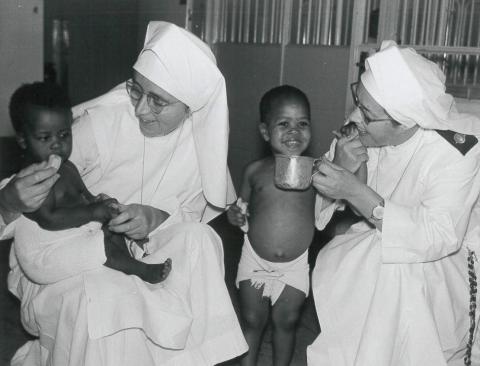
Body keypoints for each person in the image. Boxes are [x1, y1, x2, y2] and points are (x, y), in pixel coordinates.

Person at [1, 21, 248, 366]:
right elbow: (30, 190)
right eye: (136, 91)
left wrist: (157, 218)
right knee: (107, 292)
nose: (140, 109)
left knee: (200, 239)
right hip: (63, 258)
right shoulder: (101, 125)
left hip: (135, 253)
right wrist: (9, 201)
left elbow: (189, 219)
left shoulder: (201, 149)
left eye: (158, 102)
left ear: (190, 107)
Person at [308, 41, 480, 366]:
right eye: (358, 100)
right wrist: (344, 169)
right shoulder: (363, 129)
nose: (354, 116)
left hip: (442, 265)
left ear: (406, 122)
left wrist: (356, 192)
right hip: (371, 252)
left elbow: (437, 237)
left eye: (368, 114)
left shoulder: (457, 149)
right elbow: (321, 213)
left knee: (395, 275)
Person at [9, 81, 171, 284]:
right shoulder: (32, 179)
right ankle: (142, 271)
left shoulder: (67, 167)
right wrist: (93, 212)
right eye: (44, 138)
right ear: (23, 140)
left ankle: (131, 260)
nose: (57, 144)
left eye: (64, 134)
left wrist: (100, 202)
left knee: (112, 227)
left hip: (69, 233)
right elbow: (48, 219)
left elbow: (84, 194)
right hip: (45, 252)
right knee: (101, 246)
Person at [227, 85, 315, 366]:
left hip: (294, 265)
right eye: (283, 124)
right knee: (252, 322)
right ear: (265, 132)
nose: (294, 131)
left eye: (302, 123)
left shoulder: (316, 171)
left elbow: (338, 197)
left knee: (286, 323)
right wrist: (235, 215)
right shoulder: (255, 171)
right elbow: (240, 206)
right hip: (254, 259)